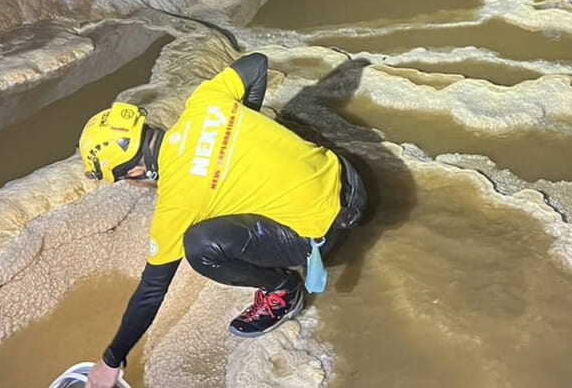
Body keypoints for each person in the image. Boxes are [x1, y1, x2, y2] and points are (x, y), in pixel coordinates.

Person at [77, 52, 367, 388]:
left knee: (200, 245)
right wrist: (242, 128)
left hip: (334, 223)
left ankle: (283, 290)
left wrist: (111, 360)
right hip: (346, 173)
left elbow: (151, 292)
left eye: (126, 178)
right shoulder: (204, 103)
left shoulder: (178, 198)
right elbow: (256, 64)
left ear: (138, 170)